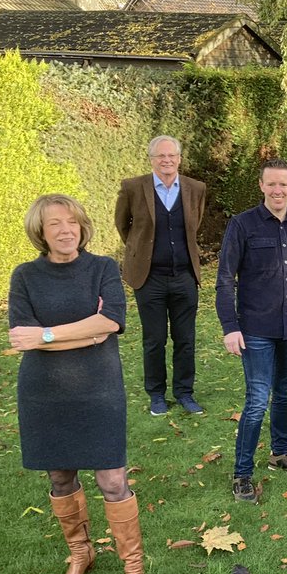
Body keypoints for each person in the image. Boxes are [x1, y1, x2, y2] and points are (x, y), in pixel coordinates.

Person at [9, 194, 148, 574]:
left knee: (113, 481)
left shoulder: (102, 268)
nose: (66, 230)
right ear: (41, 231)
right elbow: (22, 337)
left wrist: (46, 335)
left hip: (99, 389)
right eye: (55, 223)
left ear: (82, 227)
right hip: (45, 392)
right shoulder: (25, 276)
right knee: (60, 477)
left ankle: (133, 571)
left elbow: (111, 321)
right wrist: (85, 334)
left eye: (72, 221)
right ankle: (81, 554)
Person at [216, 159, 287, 503]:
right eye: (272, 184)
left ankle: (280, 453)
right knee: (256, 401)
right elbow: (225, 279)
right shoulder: (242, 225)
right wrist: (230, 327)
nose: (278, 190)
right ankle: (242, 474)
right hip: (256, 328)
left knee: (285, 392)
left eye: (283, 184)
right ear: (261, 186)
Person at [115, 135, 207, 416]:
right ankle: (156, 395)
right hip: (149, 278)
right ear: (151, 159)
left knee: (185, 339)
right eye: (160, 156)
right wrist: (142, 250)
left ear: (179, 159)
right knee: (154, 340)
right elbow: (123, 226)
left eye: (171, 155)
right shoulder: (133, 187)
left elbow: (194, 224)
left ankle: (184, 393)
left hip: (184, 276)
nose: (166, 160)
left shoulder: (196, 188)